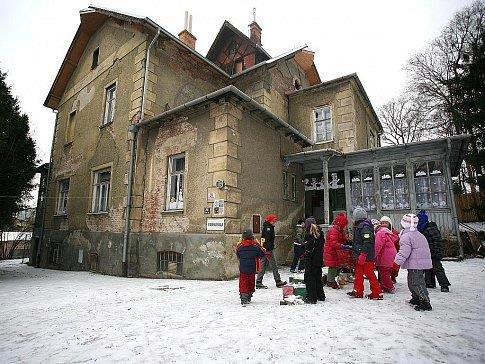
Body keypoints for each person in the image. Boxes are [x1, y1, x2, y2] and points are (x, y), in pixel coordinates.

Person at [394, 213, 433, 311]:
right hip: (417, 263)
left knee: (417, 282)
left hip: (416, 264)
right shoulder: (418, 234)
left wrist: (396, 262)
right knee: (412, 281)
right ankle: (416, 298)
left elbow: (404, 251)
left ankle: (425, 301)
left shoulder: (407, 236)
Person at [347, 207, 383, 299]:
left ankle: (377, 292)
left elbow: (368, 241)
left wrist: (363, 254)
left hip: (366, 256)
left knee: (369, 273)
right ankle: (357, 291)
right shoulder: (360, 226)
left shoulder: (364, 226)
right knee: (358, 273)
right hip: (360, 254)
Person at [417, 210, 451, 292]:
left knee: (437, 268)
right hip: (426, 253)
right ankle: (430, 283)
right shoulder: (422, 230)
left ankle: (444, 285)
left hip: (434, 252)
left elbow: (437, 241)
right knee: (427, 268)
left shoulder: (430, 228)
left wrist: (437, 252)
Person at [256, 214, 287, 289]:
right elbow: (266, 240)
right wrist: (268, 249)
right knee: (274, 265)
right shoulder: (268, 228)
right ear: (270, 220)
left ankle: (259, 282)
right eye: (274, 220)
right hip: (268, 250)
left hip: (266, 249)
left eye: (275, 220)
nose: (275, 222)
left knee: (263, 266)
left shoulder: (269, 227)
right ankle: (278, 281)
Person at [236, 229, 266, 305]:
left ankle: (243, 297)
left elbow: (238, 255)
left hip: (242, 267)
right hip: (252, 267)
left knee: (243, 282)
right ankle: (249, 295)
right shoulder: (255, 246)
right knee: (251, 282)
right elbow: (261, 255)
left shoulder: (240, 246)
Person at [303, 217, 326, 304]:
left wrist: (305, 255)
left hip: (311, 260)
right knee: (318, 278)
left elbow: (309, 250)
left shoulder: (309, 234)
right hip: (319, 260)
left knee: (310, 279)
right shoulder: (320, 233)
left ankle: (311, 298)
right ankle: (320, 296)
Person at [324, 213, 350, 289]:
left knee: (337, 266)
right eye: (344, 224)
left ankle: (333, 280)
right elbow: (333, 243)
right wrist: (343, 246)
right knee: (333, 267)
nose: (345, 226)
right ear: (341, 223)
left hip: (336, 252)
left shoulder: (339, 230)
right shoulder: (333, 230)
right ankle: (330, 281)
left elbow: (341, 239)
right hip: (332, 252)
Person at [375, 218, 398, 293]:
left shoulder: (380, 233)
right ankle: (384, 286)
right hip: (390, 255)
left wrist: (374, 255)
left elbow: (378, 245)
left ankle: (390, 287)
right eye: (382, 223)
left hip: (385, 255)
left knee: (384, 273)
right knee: (386, 272)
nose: (383, 224)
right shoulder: (387, 232)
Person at [380, 216, 401, 282]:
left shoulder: (394, 233)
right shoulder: (379, 232)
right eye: (382, 223)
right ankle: (383, 280)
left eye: (385, 223)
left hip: (394, 252)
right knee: (383, 268)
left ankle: (393, 277)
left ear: (389, 223)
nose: (384, 225)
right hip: (384, 253)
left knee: (395, 267)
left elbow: (398, 243)